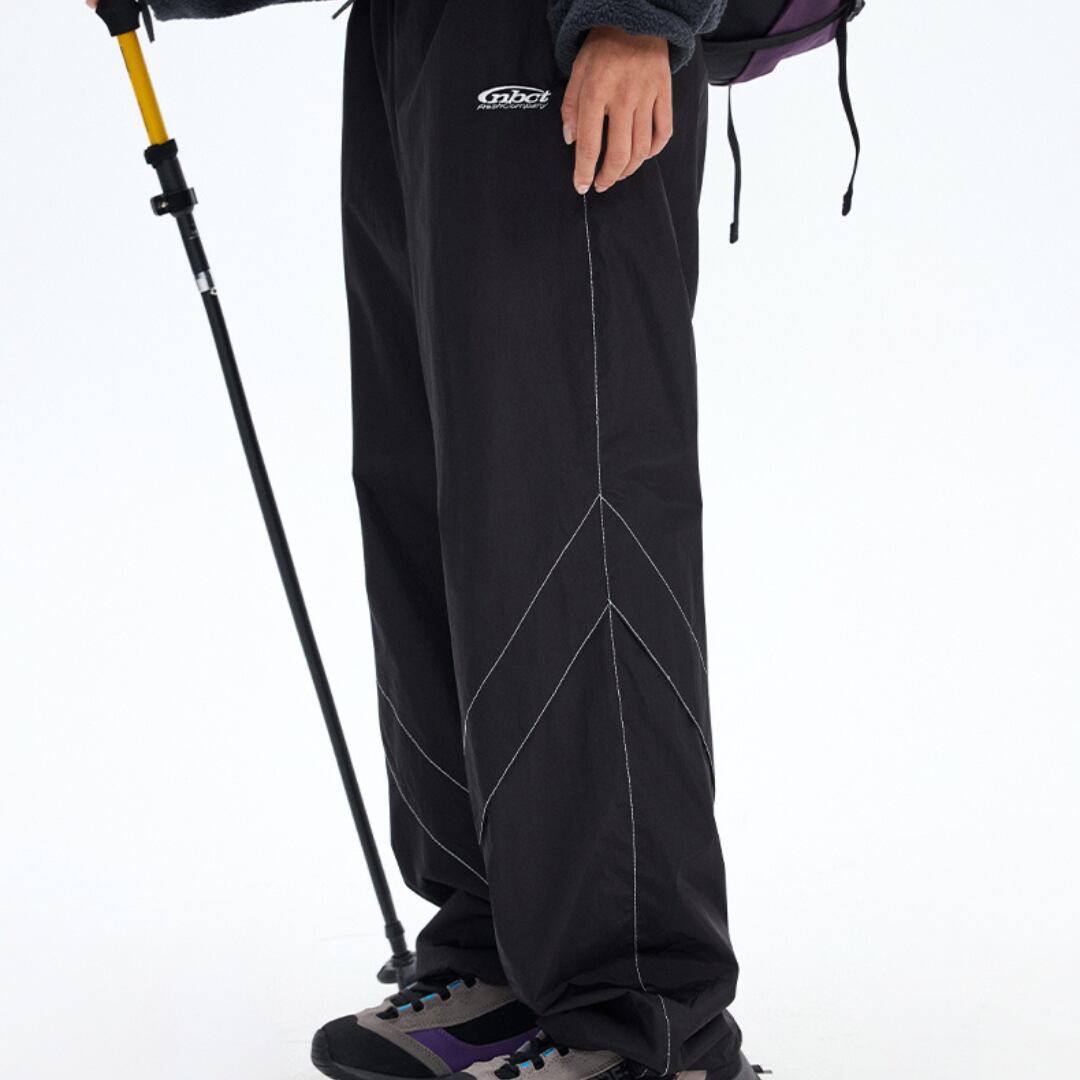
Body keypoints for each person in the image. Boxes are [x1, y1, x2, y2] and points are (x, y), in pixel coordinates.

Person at [89, 1, 752, 1078]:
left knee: (575, 511)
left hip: (568, 37)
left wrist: (640, 18)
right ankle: (504, 949)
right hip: (413, 39)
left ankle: (643, 1011)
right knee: (433, 500)